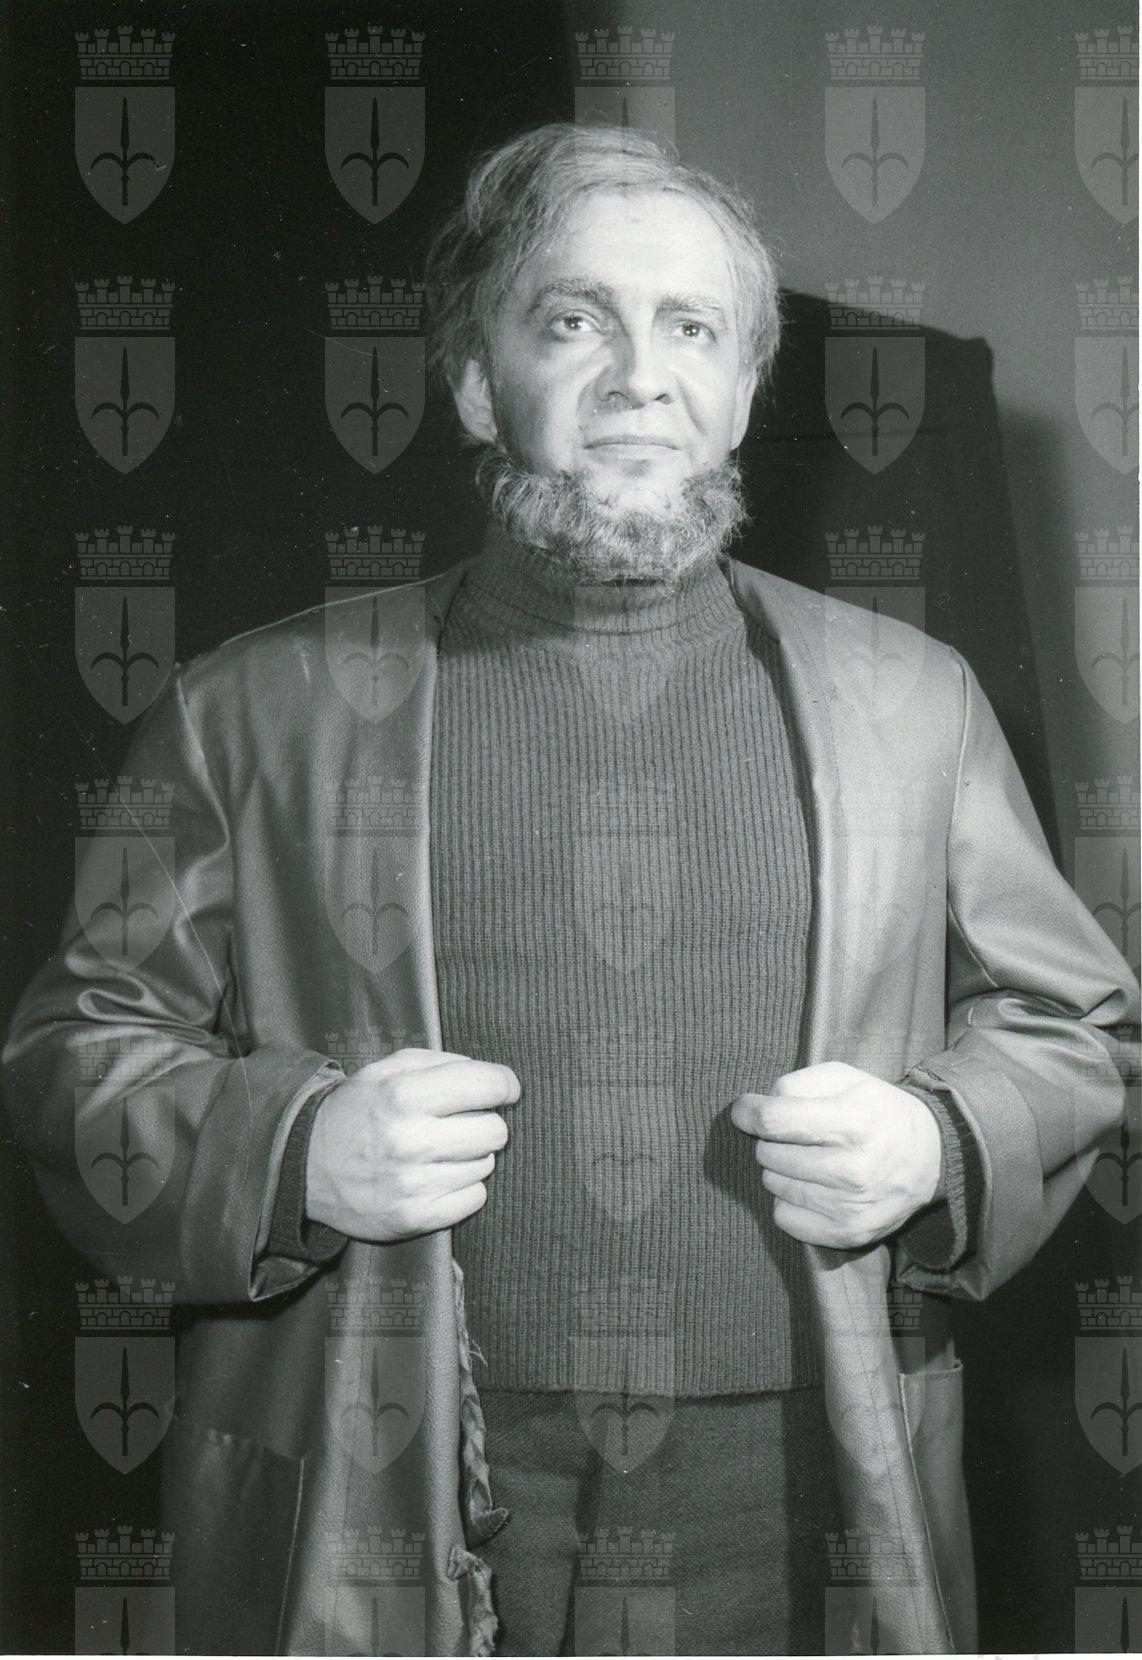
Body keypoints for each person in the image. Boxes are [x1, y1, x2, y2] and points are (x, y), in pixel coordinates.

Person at [3, 123, 1138, 1658]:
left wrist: (935, 1137)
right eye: (572, 320)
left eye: (692, 329)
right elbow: (73, 1054)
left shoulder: (913, 701)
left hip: (809, 1477)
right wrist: (289, 1147)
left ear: (743, 388)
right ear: (479, 380)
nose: (639, 375)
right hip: (392, 1471)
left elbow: (1075, 1029)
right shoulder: (250, 711)